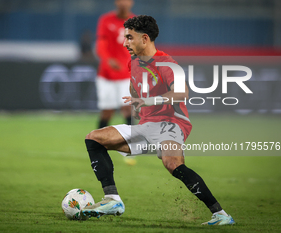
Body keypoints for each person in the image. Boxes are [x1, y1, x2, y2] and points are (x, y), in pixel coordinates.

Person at [81, 15, 235, 226]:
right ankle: (112, 200)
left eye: (129, 37)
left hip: (171, 124)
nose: (125, 42)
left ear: (145, 39)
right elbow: (135, 87)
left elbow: (183, 93)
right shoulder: (133, 62)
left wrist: (148, 99)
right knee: (94, 139)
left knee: (172, 164)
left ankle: (221, 215)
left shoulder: (167, 64)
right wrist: (137, 101)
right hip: (147, 126)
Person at [95, 0, 135, 129]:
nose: (123, 2)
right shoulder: (105, 20)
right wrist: (108, 59)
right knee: (107, 112)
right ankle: (98, 143)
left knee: (127, 109)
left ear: (131, 2)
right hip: (106, 74)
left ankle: (133, 142)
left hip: (126, 75)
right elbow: (100, 45)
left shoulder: (136, 23)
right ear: (116, 1)